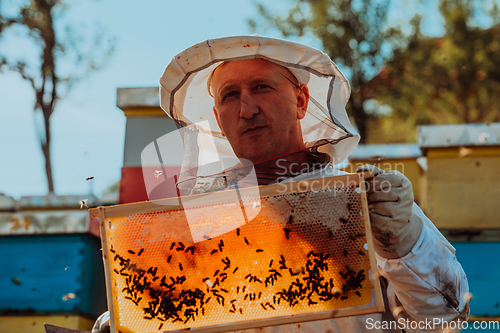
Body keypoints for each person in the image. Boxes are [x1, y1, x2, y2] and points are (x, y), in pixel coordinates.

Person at [93, 36, 469, 333]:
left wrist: (405, 242)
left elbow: (444, 319)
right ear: (218, 120)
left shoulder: (364, 199)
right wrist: (126, 320)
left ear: (301, 100)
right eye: (230, 96)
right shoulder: (198, 223)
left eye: (262, 88)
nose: (247, 108)